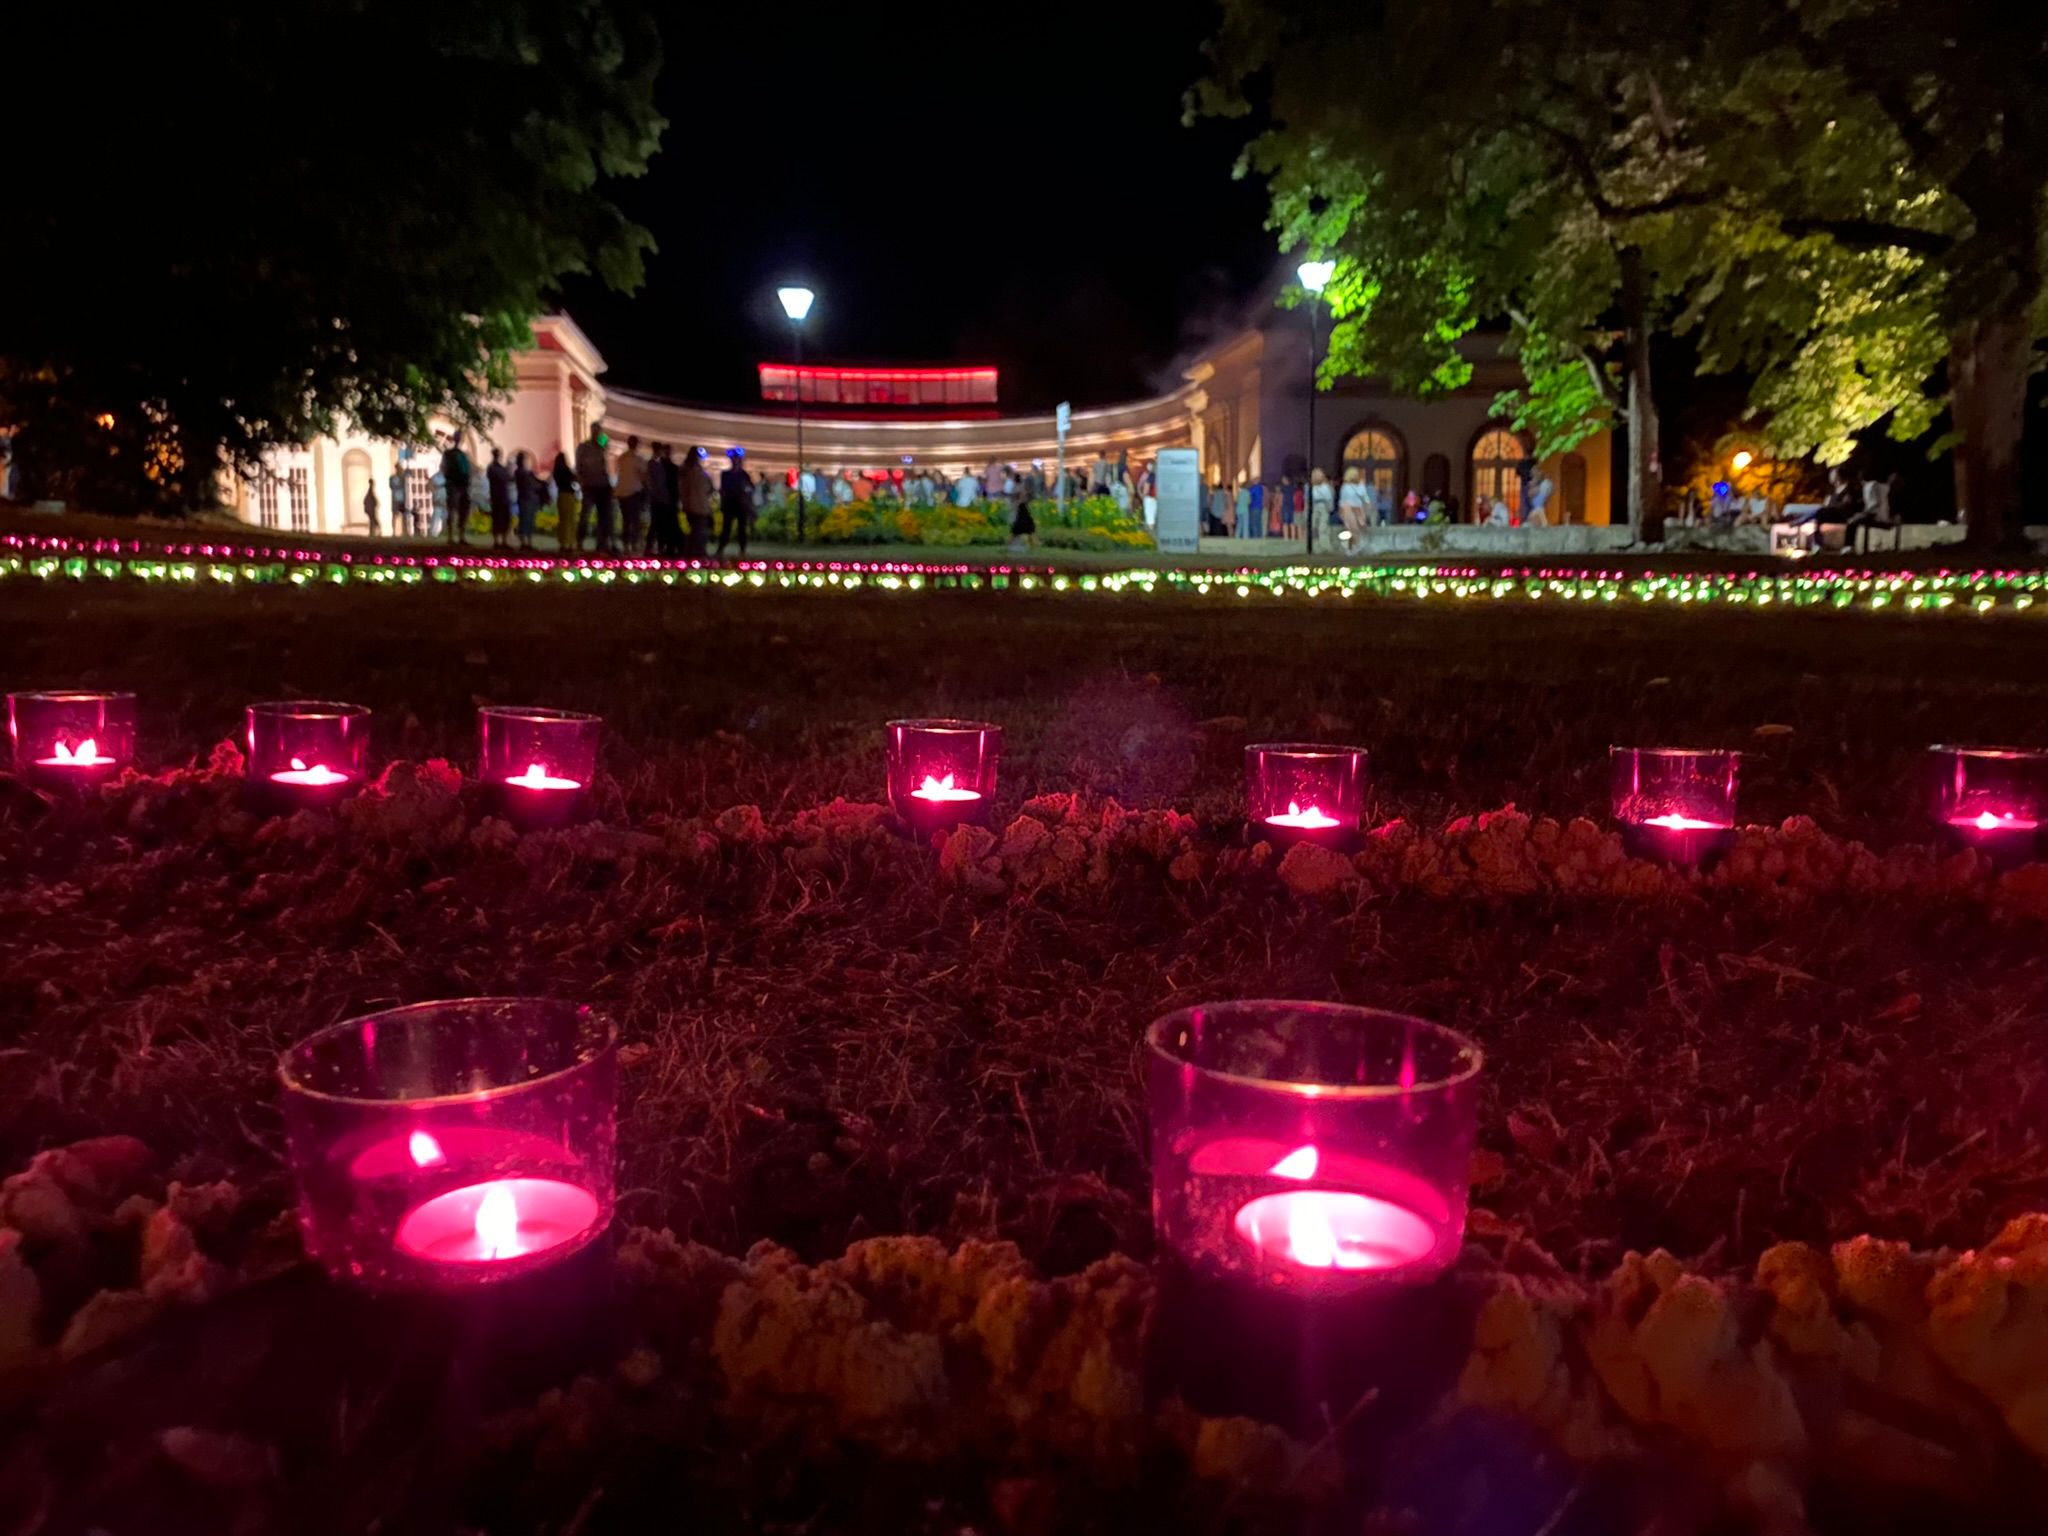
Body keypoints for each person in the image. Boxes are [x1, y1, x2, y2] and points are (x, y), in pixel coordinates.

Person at [575, 431, 613, 553]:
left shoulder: (601, 446)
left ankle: (602, 544)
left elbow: (607, 445)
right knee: (585, 516)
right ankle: (580, 542)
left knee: (604, 517)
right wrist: (582, 482)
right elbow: (579, 466)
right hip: (590, 486)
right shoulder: (584, 447)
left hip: (602, 486)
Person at [613, 434, 647, 555]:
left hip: (622, 492)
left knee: (626, 521)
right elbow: (644, 476)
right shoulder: (638, 459)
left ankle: (626, 545)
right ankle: (633, 545)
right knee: (635, 521)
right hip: (634, 492)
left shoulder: (622, 458)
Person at [646, 442, 681, 556]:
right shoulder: (657, 465)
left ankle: (661, 547)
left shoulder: (661, 465)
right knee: (658, 524)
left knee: (660, 525)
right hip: (661, 500)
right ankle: (658, 547)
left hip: (664, 499)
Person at [718, 446, 754, 557]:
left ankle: (742, 550)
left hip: (741, 505)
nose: (736, 461)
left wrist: (746, 497)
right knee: (726, 528)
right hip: (730, 504)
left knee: (741, 529)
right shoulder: (726, 474)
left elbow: (751, 488)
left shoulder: (744, 475)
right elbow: (723, 490)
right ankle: (721, 549)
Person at [680, 444, 713, 558]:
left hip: (691, 505)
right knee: (699, 532)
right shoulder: (696, 472)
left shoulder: (685, 471)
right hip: (699, 506)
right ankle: (697, 553)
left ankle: (690, 553)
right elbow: (706, 488)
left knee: (695, 531)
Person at [439, 434, 472, 545]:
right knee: (452, 510)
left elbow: (467, 470)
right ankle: (450, 536)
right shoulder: (449, 454)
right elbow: (445, 468)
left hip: (462, 486)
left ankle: (461, 536)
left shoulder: (462, 454)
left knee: (463, 511)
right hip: (453, 485)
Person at [512, 450, 545, 552]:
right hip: (526, 499)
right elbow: (530, 485)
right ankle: (525, 542)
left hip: (527, 498)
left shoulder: (521, 472)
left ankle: (527, 542)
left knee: (528, 520)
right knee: (526, 520)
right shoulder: (522, 472)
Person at [550, 451, 580, 553]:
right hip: (568, 496)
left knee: (563, 520)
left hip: (561, 495)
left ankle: (563, 543)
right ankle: (570, 543)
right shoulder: (566, 471)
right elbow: (575, 478)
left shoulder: (556, 471)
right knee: (570, 520)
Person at [1337, 468, 1371, 543]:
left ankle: (1355, 544)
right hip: (1356, 509)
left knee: (1354, 528)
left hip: (1351, 509)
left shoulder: (1346, 487)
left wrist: (1341, 510)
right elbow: (1366, 499)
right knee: (1354, 528)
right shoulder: (1360, 486)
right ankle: (1356, 544)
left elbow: (1342, 500)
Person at [1308, 467, 1334, 548]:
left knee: (1323, 526)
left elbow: (1328, 498)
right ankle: (1319, 544)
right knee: (1315, 526)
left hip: (1322, 507)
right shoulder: (1313, 487)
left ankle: (1325, 544)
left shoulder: (1324, 487)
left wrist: (1329, 507)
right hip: (1316, 507)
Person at [387, 466, 407, 537]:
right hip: (395, 499)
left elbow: (404, 486)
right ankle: (394, 531)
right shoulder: (392, 478)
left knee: (403, 515)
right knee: (394, 515)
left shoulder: (403, 478)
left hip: (402, 499)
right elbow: (391, 486)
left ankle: (404, 531)